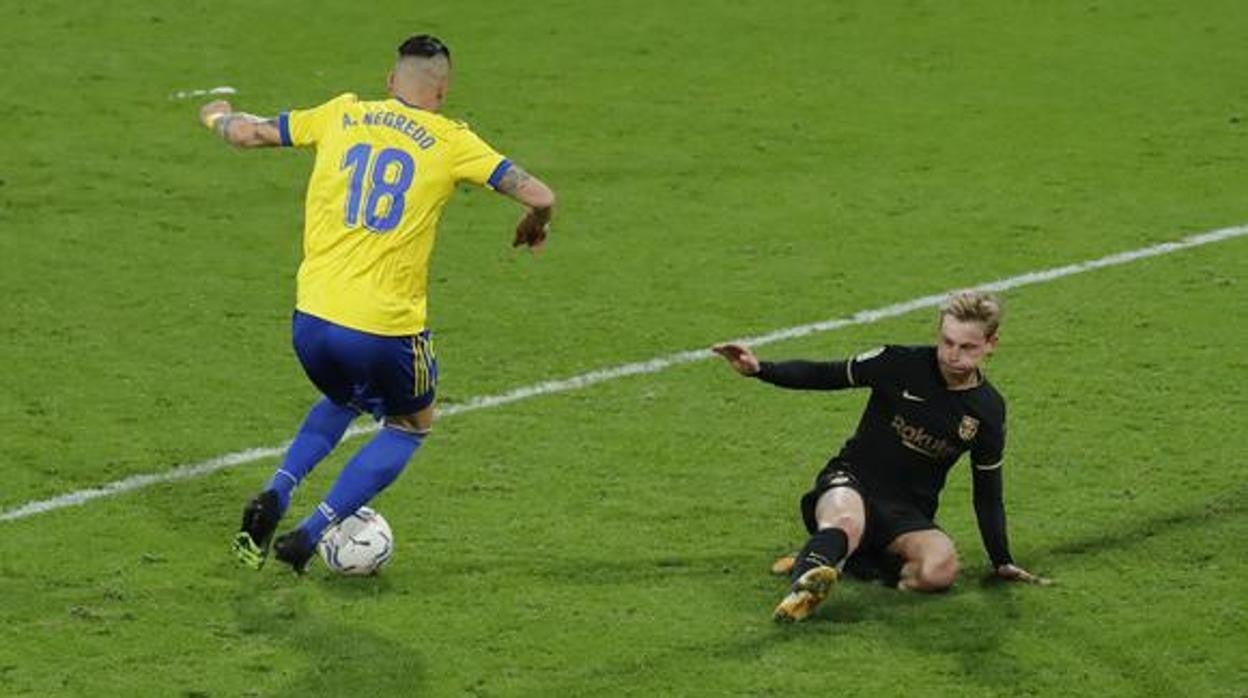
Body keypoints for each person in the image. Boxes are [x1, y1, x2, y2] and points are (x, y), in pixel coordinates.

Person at [198, 34, 556, 573]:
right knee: (410, 425)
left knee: (344, 397)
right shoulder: (451, 139)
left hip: (312, 318)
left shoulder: (340, 114)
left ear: (390, 83)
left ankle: (276, 492)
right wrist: (536, 222)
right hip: (386, 328)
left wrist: (216, 115)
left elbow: (248, 134)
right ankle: (309, 534)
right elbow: (540, 194)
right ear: (442, 91)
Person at [712, 290, 1049, 622]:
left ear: (991, 344)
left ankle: (842, 557)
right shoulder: (899, 363)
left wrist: (1001, 560)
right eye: (947, 341)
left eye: (967, 347)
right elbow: (825, 374)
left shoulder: (987, 410)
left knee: (940, 570)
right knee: (846, 521)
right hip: (851, 482)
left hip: (907, 512)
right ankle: (804, 586)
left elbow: (988, 491)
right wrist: (760, 369)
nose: (952, 355)